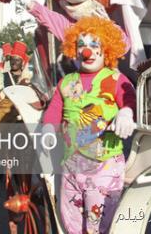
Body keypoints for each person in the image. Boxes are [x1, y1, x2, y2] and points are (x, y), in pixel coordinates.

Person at [42, 16, 136, 234]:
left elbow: (129, 99)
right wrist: (48, 128)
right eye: (81, 45)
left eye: (95, 45)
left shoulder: (115, 78)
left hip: (103, 166)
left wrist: (125, 112)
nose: (87, 51)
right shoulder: (66, 81)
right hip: (71, 164)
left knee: (98, 224)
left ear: (108, 50)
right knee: (71, 220)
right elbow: (55, 110)